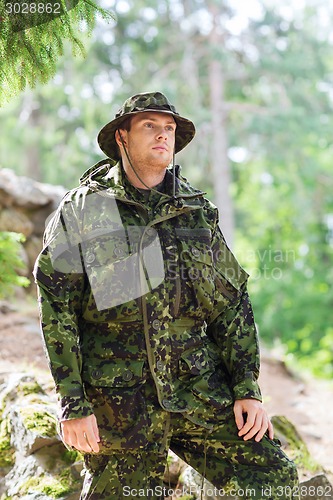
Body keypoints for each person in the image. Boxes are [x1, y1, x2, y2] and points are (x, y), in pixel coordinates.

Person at [34, 91, 299, 499]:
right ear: (122, 137)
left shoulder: (197, 211)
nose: (163, 136)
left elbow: (231, 303)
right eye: (150, 126)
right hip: (120, 402)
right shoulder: (86, 209)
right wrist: (73, 404)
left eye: (170, 129)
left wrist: (246, 387)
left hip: (197, 390)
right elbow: (57, 306)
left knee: (273, 480)